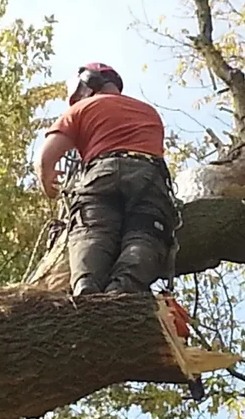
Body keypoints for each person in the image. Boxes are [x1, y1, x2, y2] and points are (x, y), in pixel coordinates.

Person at [34, 62, 179, 297]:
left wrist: (48, 183)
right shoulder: (148, 111)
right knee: (145, 234)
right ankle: (122, 289)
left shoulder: (80, 110)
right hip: (148, 176)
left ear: (90, 84)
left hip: (100, 175)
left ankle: (86, 289)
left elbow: (44, 159)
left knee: (93, 232)